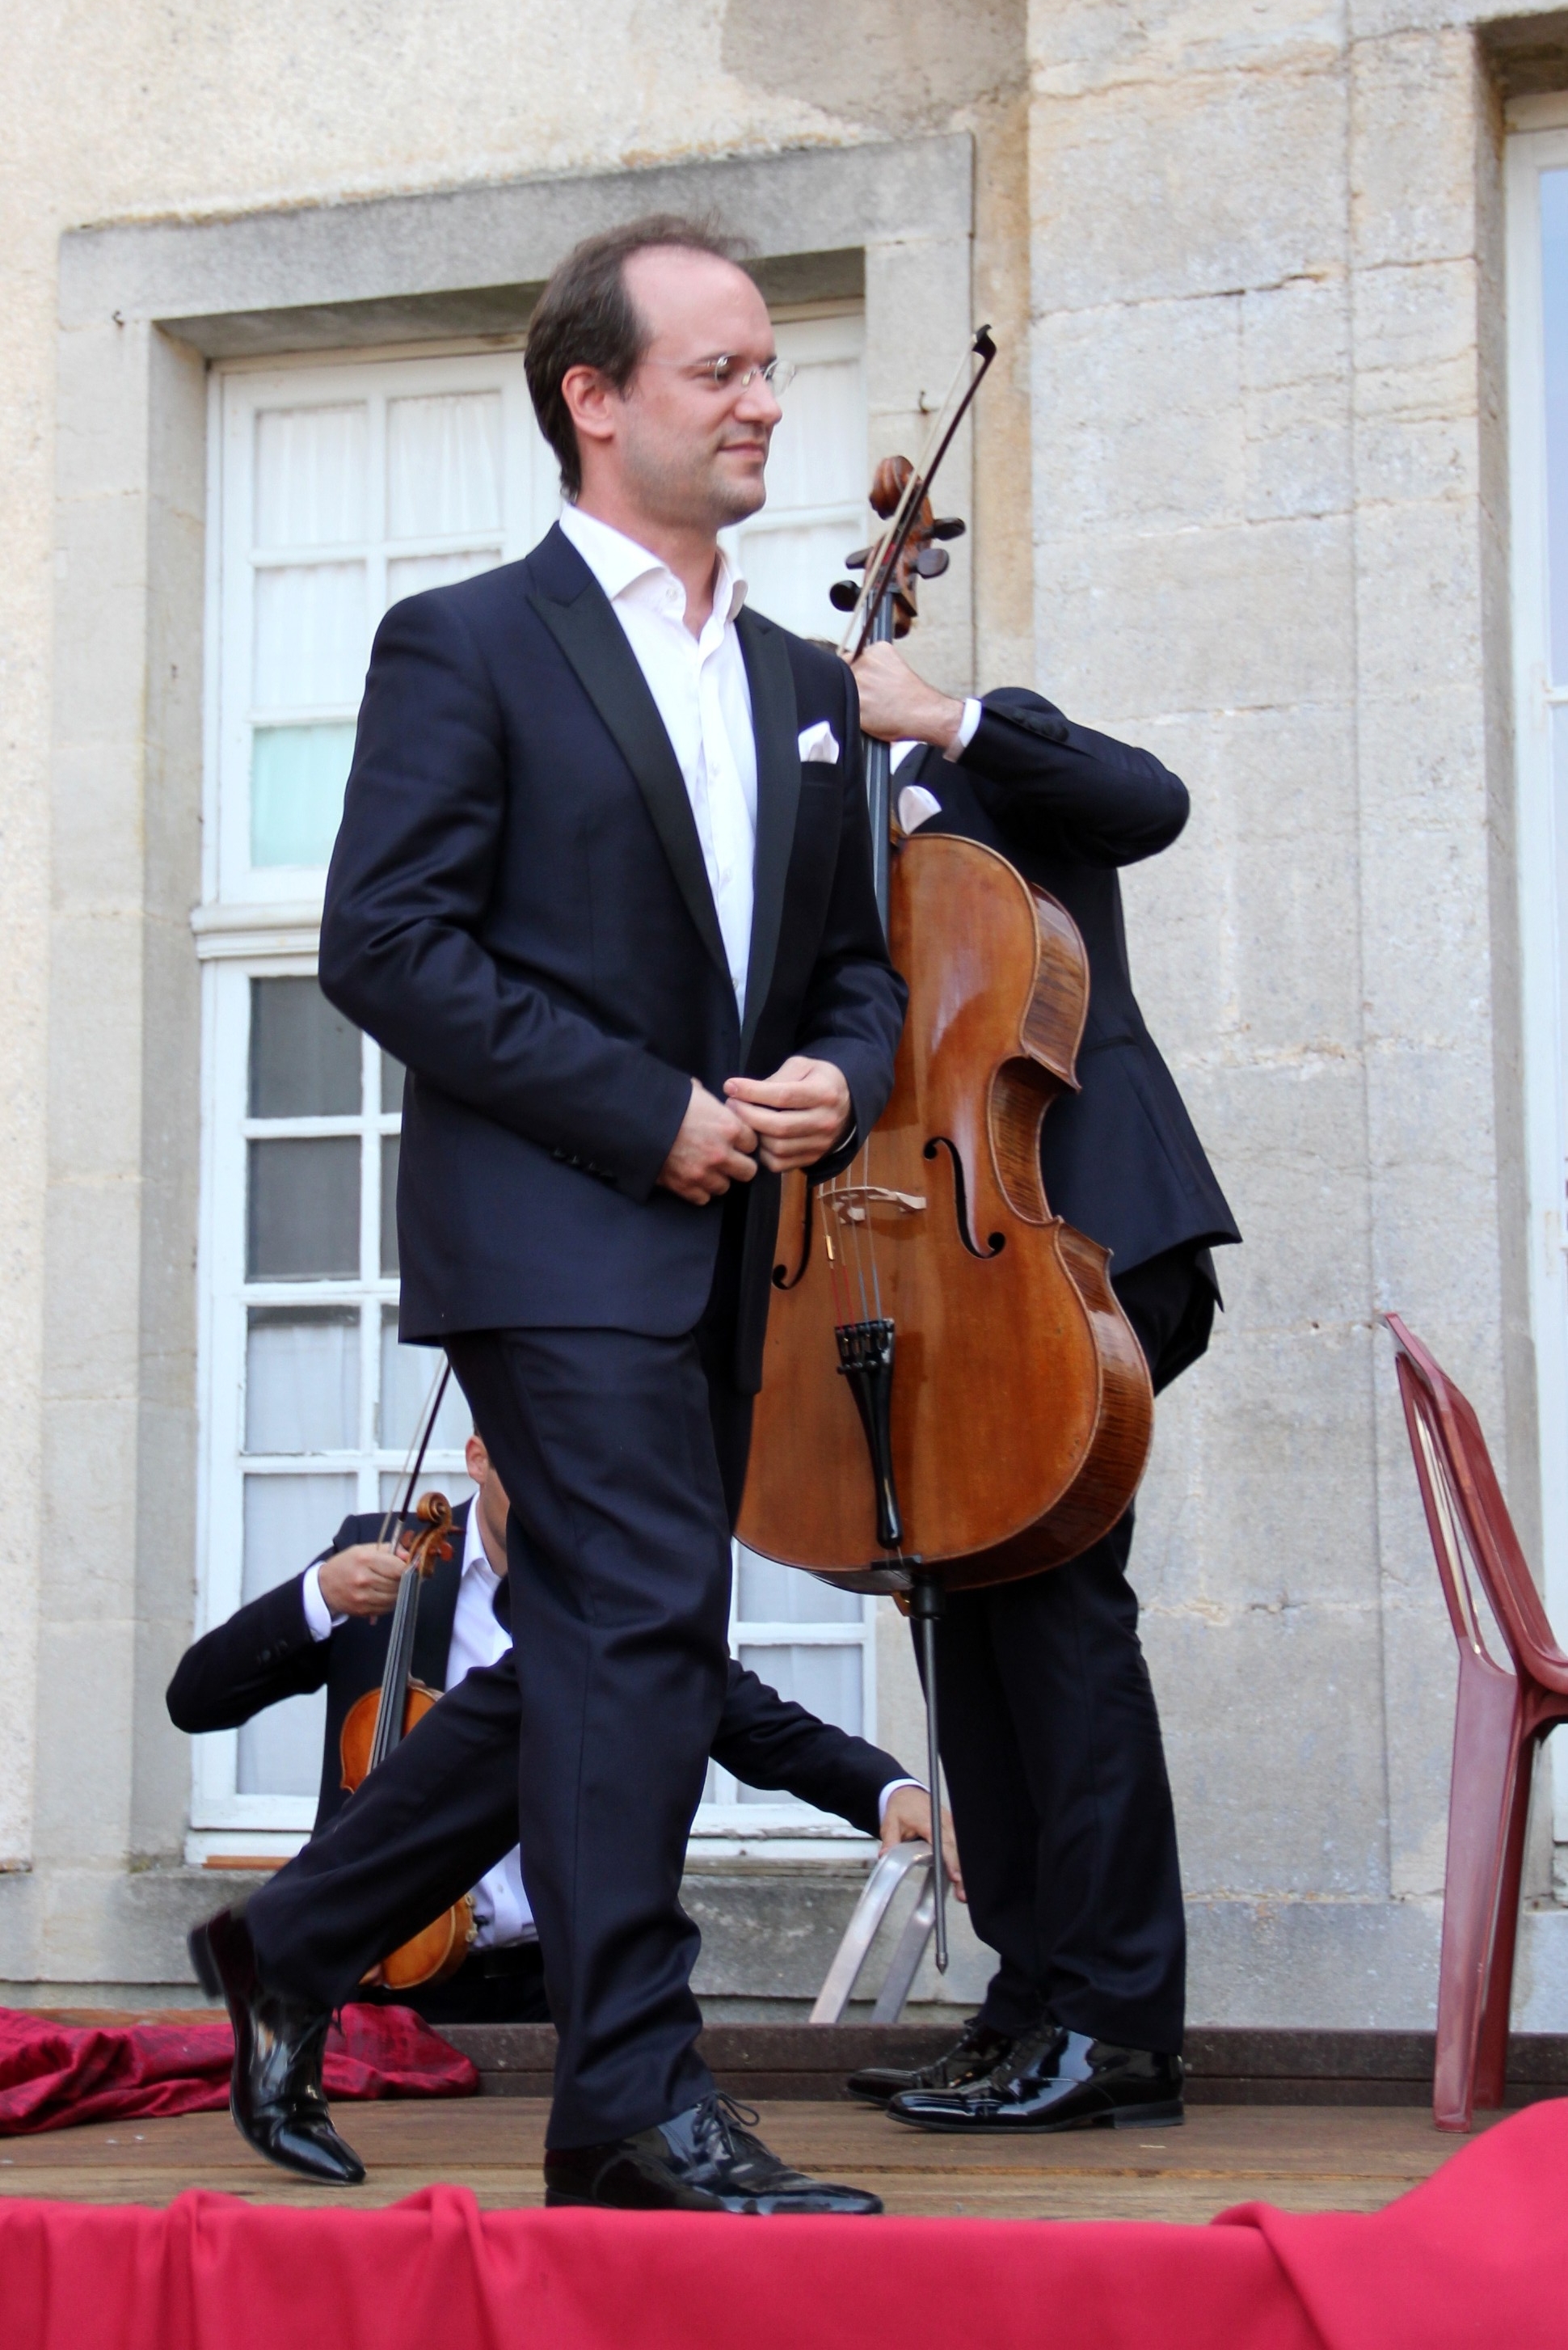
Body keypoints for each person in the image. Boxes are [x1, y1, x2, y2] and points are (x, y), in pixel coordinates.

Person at [186, 213, 906, 2216]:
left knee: (605, 1636)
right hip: (550, 1226)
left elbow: (854, 969)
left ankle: (292, 1942)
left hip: (733, 1239)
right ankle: (627, 2104)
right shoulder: (466, 642)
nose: (766, 398)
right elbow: (383, 941)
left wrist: (840, 1073)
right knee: (651, 1617)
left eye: (771, 368)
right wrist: (646, 1110)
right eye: (721, 371)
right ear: (594, 403)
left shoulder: (802, 684)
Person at [841, 639, 1240, 2135]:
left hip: (1085, 1229)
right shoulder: (829, 821)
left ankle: (1121, 2023)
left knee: (1063, 1609)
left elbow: (1154, 799)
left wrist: (950, 713)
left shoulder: (994, 754)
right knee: (964, 1609)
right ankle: (1031, 1997)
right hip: (932, 1264)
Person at [170, 1429, 949, 2027]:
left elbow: (744, 1714)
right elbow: (196, 1699)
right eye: (531, 1476)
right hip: (386, 1994)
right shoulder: (389, 1569)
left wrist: (886, 1788)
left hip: (564, 1984)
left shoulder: (610, 1600)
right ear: (479, 1458)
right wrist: (318, 1596)